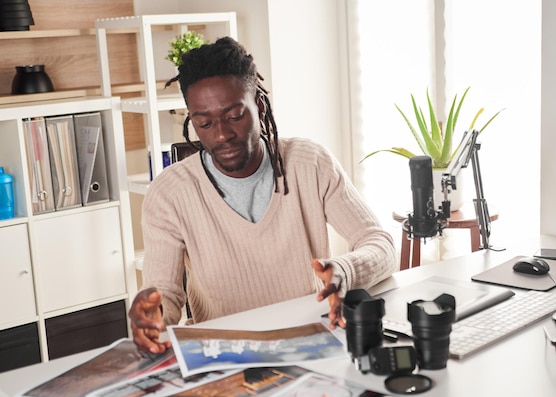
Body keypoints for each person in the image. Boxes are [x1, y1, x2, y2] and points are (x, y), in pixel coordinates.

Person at [129, 37, 396, 354]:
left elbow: (380, 245)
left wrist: (345, 271)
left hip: (312, 346)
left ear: (259, 104)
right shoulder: (170, 194)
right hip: (225, 358)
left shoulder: (309, 163)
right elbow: (165, 294)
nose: (221, 134)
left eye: (234, 115)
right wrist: (152, 317)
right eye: (204, 122)